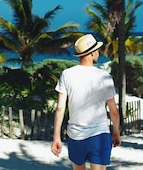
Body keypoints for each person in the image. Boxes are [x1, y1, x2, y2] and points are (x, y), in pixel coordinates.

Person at [51, 34, 121, 170]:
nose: (98, 54)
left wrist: (56, 138)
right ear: (92, 52)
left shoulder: (67, 74)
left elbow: (60, 108)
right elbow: (113, 110)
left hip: (75, 135)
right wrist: (116, 132)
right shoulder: (104, 76)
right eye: (97, 51)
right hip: (99, 135)